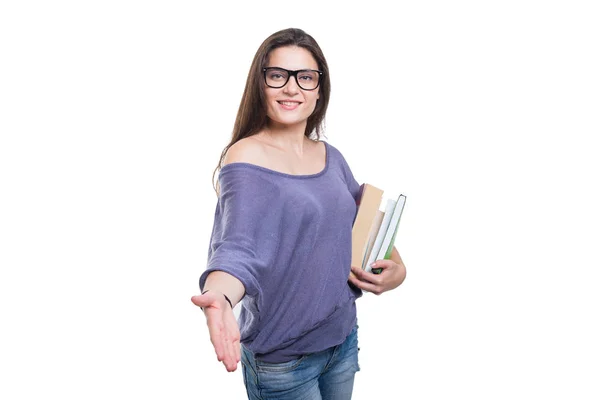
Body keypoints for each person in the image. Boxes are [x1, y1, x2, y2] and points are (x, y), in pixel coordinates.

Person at [191, 28, 407, 399]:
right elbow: (237, 248)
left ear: (319, 89)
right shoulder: (246, 159)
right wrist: (220, 297)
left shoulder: (331, 156)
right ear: (261, 84)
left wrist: (397, 269)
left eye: (305, 78)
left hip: (341, 339)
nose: (292, 88)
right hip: (285, 362)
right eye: (278, 75)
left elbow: (360, 223)